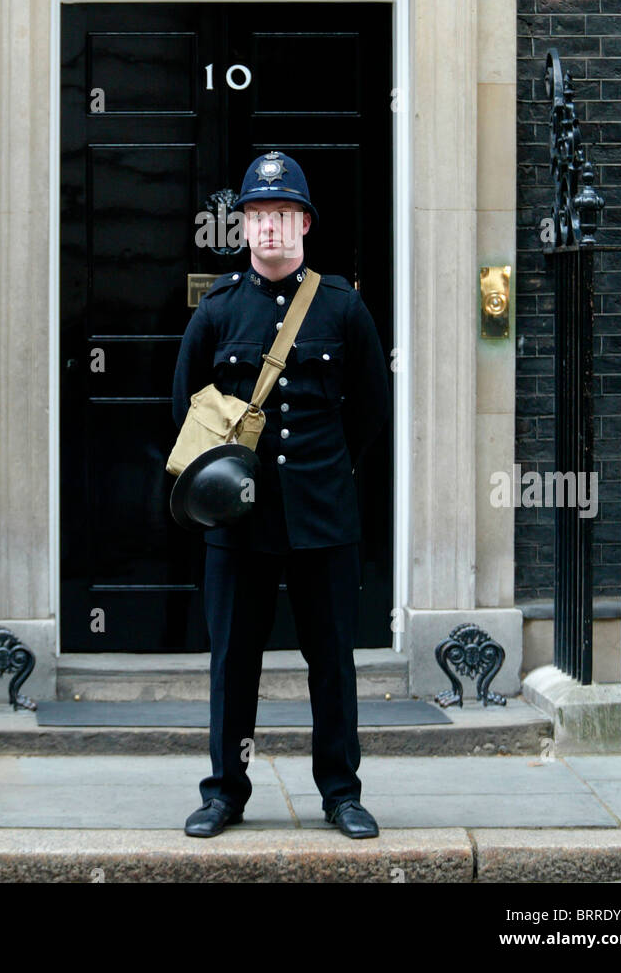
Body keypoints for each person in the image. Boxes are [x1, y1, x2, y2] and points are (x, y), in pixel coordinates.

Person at [172, 151, 390, 838]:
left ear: (303, 224)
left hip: (323, 514)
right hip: (239, 519)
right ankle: (223, 792)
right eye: (258, 216)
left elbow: (370, 411)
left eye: (282, 215)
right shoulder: (217, 308)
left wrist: (326, 472)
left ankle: (341, 792)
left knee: (331, 660)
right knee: (233, 659)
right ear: (243, 228)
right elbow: (186, 402)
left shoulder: (341, 306)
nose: (269, 229)